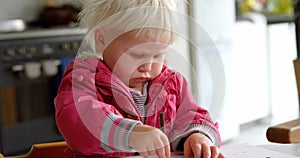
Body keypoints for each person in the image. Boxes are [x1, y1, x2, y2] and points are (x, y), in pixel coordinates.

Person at [54, 0, 224, 157]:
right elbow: (78, 117)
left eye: (158, 55)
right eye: (137, 55)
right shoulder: (84, 77)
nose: (148, 67)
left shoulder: (171, 84)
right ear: (102, 40)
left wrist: (196, 136)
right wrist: (130, 134)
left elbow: (190, 115)